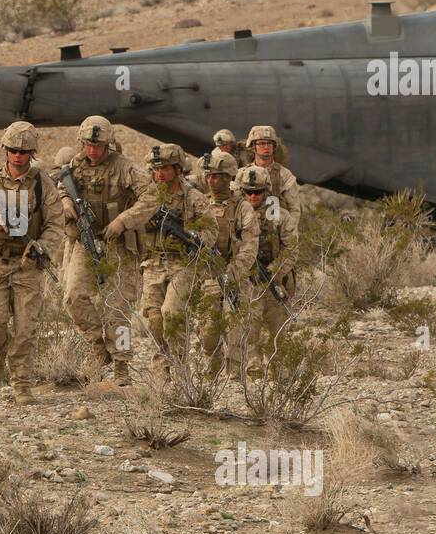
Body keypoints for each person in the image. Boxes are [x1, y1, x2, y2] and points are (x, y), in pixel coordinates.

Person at [59, 115, 151, 385]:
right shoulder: (75, 166)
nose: (92, 151)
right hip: (85, 242)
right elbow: (60, 186)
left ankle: (121, 363)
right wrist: (66, 202)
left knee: (118, 308)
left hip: (118, 245)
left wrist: (123, 221)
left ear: (108, 144)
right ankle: (98, 347)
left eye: (98, 146)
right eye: (88, 145)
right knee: (73, 296)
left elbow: (152, 197)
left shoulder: (125, 167)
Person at [109, 144, 214, 378]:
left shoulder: (193, 198)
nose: (160, 174)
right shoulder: (148, 198)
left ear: (178, 169)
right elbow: (132, 216)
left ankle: (180, 366)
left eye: (165, 169)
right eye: (156, 169)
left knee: (171, 312)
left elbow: (211, 230)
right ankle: (163, 364)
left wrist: (192, 237)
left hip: (183, 264)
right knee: (153, 317)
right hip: (153, 262)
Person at [0, 122, 64, 403]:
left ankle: (21, 383)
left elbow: (55, 223)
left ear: (32, 153)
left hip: (28, 265)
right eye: (13, 150)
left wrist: (42, 247)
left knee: (27, 328)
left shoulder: (42, 183)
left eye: (24, 152)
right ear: (5, 149)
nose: (18, 156)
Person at [198, 151, 260, 378]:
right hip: (208, 275)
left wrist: (232, 271)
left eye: (216, 176)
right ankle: (212, 369)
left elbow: (250, 245)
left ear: (228, 177)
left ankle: (234, 374)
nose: (211, 181)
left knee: (234, 325)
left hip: (235, 276)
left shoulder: (242, 207)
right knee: (208, 330)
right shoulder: (201, 204)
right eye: (209, 176)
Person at [238, 163, 298, 352]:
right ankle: (252, 366)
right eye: (248, 192)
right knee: (249, 332)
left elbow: (291, 249)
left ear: (266, 191)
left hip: (273, 278)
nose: (253, 196)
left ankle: (276, 369)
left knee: (276, 335)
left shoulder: (279, 216)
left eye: (257, 192)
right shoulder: (236, 215)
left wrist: (273, 270)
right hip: (245, 280)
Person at [245, 125, 301, 218]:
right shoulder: (243, 174)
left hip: (276, 224)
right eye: (262, 143)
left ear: (274, 146)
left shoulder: (284, 175)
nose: (266, 147)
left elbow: (294, 209)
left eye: (269, 143)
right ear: (253, 146)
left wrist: (289, 226)